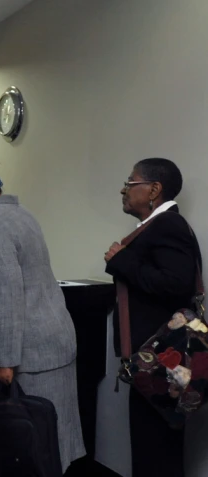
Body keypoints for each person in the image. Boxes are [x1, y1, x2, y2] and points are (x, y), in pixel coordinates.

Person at [0, 159, 86, 473]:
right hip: (53, 340)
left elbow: (5, 294)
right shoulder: (22, 214)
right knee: (57, 439)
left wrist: (4, 359)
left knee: (34, 445)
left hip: (27, 353)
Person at [104, 158, 201, 477]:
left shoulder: (168, 225)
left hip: (160, 362)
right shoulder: (158, 226)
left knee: (156, 454)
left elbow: (176, 284)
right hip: (155, 361)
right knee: (152, 451)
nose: (123, 189)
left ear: (154, 190)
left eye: (130, 183)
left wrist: (122, 261)